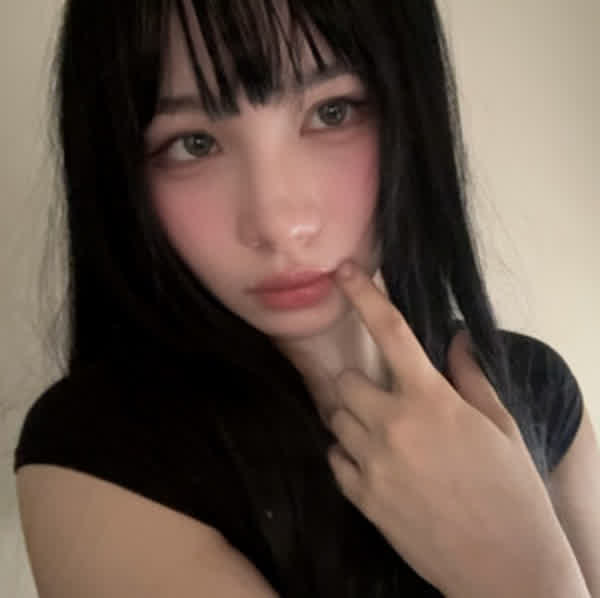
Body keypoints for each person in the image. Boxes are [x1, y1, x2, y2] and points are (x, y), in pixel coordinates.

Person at [13, 1, 600, 596]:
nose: (278, 224)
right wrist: (523, 572)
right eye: (193, 144)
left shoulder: (536, 388)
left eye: (331, 112)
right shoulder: (102, 455)